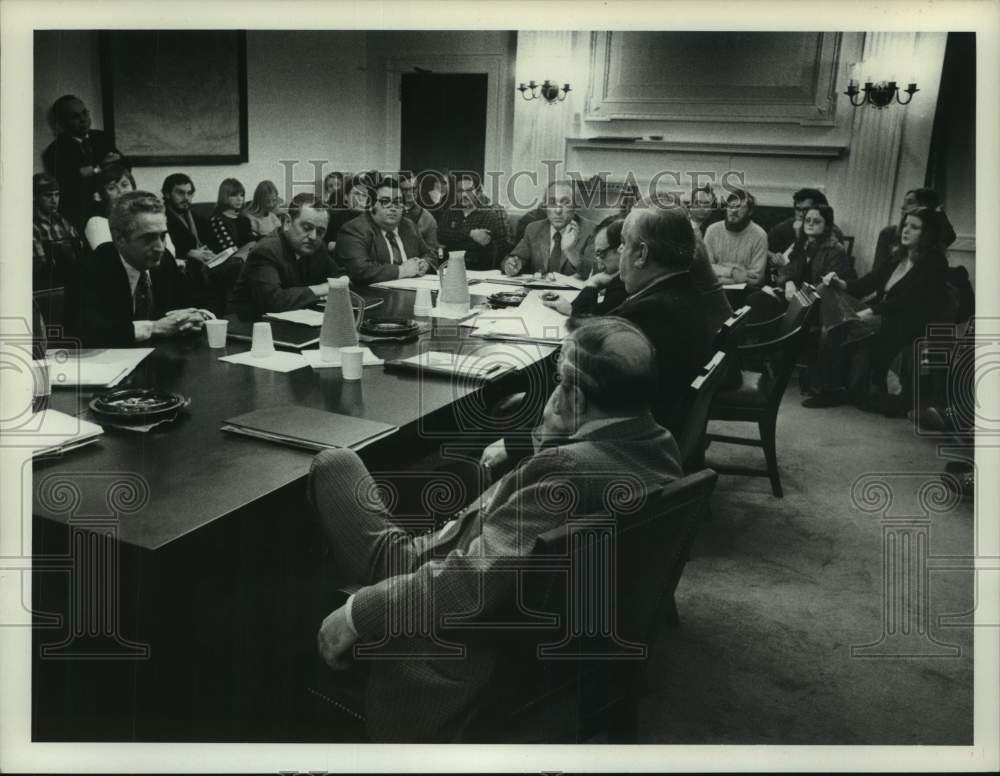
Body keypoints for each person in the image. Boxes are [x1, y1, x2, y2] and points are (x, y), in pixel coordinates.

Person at [311, 315, 683, 742]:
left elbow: (470, 583)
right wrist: (555, 435)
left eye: (559, 382)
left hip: (451, 606)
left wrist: (359, 613)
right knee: (457, 473)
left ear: (577, 398)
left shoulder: (564, 471)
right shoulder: (660, 446)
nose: (553, 394)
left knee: (336, 463)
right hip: (554, 620)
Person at [804, 207, 951, 410]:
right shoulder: (897, 256)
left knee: (836, 328)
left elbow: (909, 300)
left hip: (904, 322)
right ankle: (831, 369)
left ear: (927, 233)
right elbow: (869, 282)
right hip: (881, 314)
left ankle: (830, 389)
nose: (906, 230)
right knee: (826, 290)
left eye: (914, 227)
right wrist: (841, 283)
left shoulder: (935, 262)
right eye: (905, 225)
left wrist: (871, 311)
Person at [609, 204, 712, 434]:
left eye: (623, 243)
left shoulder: (644, 315)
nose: (619, 251)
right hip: (663, 431)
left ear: (642, 254)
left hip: (632, 442)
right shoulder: (686, 293)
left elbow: (586, 393)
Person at [69, 191, 214, 347]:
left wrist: (199, 316)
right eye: (148, 238)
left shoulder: (165, 260)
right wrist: (153, 328)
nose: (159, 247)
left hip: (162, 356)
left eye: (163, 236)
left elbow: (190, 303)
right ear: (119, 239)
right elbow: (83, 332)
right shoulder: (91, 268)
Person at [228, 193, 344, 321]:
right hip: (247, 325)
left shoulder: (317, 247)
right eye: (306, 228)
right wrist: (320, 289)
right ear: (288, 222)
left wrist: (339, 282)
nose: (313, 236)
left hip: (292, 321)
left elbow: (339, 276)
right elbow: (273, 301)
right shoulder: (266, 250)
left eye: (320, 231)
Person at [745, 204, 849, 323]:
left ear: (826, 226)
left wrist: (797, 295)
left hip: (815, 303)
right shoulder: (801, 243)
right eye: (807, 220)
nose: (810, 224)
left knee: (763, 304)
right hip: (791, 296)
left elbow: (828, 287)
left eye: (816, 221)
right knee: (755, 298)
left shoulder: (835, 249)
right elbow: (787, 270)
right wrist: (788, 282)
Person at [41, 95, 124, 231]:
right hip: (80, 216)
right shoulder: (55, 151)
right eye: (75, 116)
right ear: (62, 122)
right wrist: (100, 167)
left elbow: (125, 165)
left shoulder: (101, 137)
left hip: (112, 209)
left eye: (85, 113)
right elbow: (70, 180)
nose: (83, 119)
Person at [335, 178, 436, 285]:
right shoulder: (354, 230)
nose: (392, 208)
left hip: (412, 289)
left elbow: (430, 254)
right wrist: (402, 270)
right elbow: (360, 270)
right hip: (371, 293)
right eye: (385, 201)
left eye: (397, 202)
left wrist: (425, 264)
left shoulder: (409, 226)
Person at [502, 181, 594, 278]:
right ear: (545, 206)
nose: (558, 210)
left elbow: (596, 271)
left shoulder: (590, 231)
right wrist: (511, 265)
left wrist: (570, 252)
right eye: (552, 203)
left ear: (575, 207)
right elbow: (514, 258)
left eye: (566, 203)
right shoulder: (533, 229)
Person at [541, 215, 627, 316]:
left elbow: (586, 320)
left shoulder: (625, 286)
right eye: (597, 254)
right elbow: (596, 313)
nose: (600, 266)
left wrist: (594, 282)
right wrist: (570, 309)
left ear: (623, 249)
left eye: (601, 254)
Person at [872, 188, 956, 274]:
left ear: (924, 207)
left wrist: (938, 211)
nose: (902, 207)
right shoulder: (888, 233)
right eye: (905, 226)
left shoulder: (931, 238)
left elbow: (949, 236)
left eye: (910, 202)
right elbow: (877, 271)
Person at [437, 174, 512, 270]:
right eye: (460, 191)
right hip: (450, 267)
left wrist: (452, 241)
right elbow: (441, 235)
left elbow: (480, 244)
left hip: (478, 269)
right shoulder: (450, 212)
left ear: (478, 192)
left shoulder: (488, 214)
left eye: (469, 190)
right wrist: (470, 234)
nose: (464, 195)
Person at [703, 189, 768, 288]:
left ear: (750, 212)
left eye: (740, 207)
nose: (734, 211)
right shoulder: (712, 230)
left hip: (745, 291)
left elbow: (756, 279)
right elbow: (705, 268)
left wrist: (721, 277)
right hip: (715, 288)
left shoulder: (759, 235)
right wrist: (732, 272)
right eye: (731, 206)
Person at [32, 173, 85, 289]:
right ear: (35, 196)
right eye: (48, 195)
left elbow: (80, 251)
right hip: (48, 286)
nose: (54, 200)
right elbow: (40, 267)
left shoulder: (62, 221)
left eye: (57, 195)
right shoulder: (31, 226)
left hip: (71, 281)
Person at [206, 178, 255, 259]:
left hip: (248, 257)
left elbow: (252, 241)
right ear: (224, 196)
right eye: (234, 195)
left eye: (242, 195)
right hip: (229, 260)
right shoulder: (217, 220)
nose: (239, 199)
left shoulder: (244, 219)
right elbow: (228, 250)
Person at [399, 172, 440, 253]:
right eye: (405, 190)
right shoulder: (391, 213)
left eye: (413, 189)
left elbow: (432, 251)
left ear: (418, 189)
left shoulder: (428, 219)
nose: (409, 193)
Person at [328, 174, 374, 239]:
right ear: (346, 197)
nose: (360, 199)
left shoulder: (373, 222)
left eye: (364, 195)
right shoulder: (334, 219)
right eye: (356, 193)